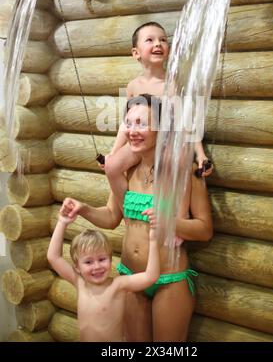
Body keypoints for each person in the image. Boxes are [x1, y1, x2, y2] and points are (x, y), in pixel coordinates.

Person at [61, 94, 213, 341]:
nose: (132, 131)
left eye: (142, 124)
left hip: (170, 281)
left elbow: (205, 230)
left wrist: (169, 223)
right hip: (130, 277)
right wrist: (84, 209)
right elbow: (112, 217)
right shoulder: (127, 172)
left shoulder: (186, 175)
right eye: (129, 123)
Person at [100, 22, 213, 187]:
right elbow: (126, 124)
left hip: (166, 146)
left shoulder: (174, 85)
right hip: (140, 145)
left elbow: (187, 122)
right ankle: (127, 206)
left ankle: (165, 209)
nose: (158, 44)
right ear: (136, 53)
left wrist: (200, 155)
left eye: (163, 40)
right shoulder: (133, 86)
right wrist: (113, 153)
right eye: (150, 40)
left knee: (171, 170)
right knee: (112, 167)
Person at [47, 203, 160, 342]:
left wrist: (154, 240)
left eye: (102, 259)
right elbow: (53, 257)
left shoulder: (118, 285)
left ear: (110, 259)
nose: (97, 266)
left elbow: (151, 276)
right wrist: (62, 222)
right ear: (77, 267)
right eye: (88, 262)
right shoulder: (79, 282)